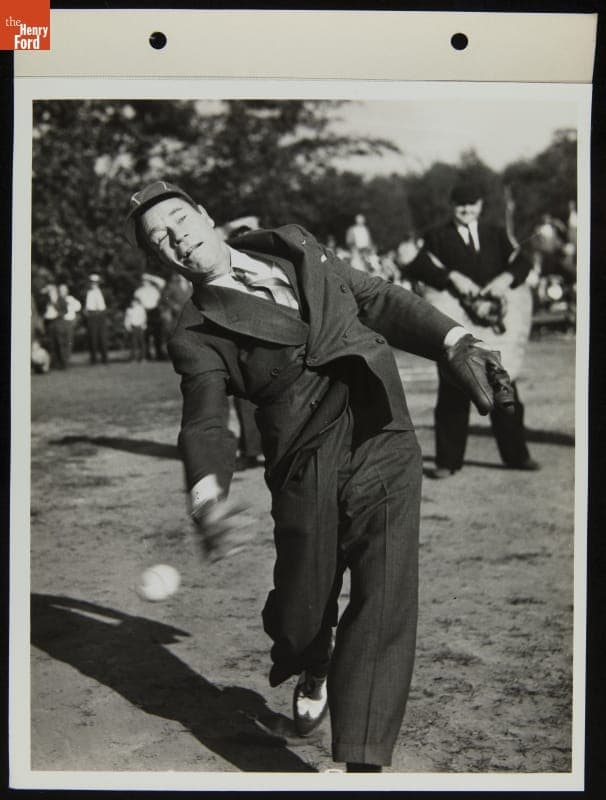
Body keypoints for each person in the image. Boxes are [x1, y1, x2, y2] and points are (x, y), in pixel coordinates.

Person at [124, 180, 514, 772]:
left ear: (204, 214)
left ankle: (363, 765)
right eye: (160, 241)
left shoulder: (293, 244)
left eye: (178, 220)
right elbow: (204, 421)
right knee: (300, 615)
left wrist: (455, 340)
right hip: (304, 460)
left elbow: (375, 296)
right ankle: (313, 661)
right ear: (162, 260)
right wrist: (207, 497)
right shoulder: (195, 332)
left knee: (384, 595)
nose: (176, 238)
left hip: (380, 430)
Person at [406, 180, 539, 478]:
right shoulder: (437, 236)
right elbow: (416, 266)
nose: (466, 209)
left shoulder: (496, 234)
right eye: (460, 204)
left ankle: (516, 455)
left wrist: (506, 278)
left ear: (480, 205)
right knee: (453, 388)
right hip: (456, 323)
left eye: (471, 204)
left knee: (504, 387)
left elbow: (523, 263)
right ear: (452, 206)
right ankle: (447, 461)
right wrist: (450, 276)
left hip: (495, 324)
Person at [134, 273, 167, 360]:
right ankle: (147, 354)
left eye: (147, 281)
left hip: (155, 312)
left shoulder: (155, 289)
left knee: (158, 334)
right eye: (143, 280)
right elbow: (137, 303)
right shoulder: (138, 291)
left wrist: (150, 276)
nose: (145, 282)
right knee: (146, 335)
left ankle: (159, 354)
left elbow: (162, 282)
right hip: (144, 312)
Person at [83, 273, 109, 365]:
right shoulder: (87, 292)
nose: (93, 284)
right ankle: (93, 359)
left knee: (102, 337)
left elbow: (105, 305)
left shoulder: (102, 292)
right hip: (91, 315)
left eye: (95, 282)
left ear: (98, 283)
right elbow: (86, 305)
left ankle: (105, 359)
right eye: (92, 282)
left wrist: (102, 313)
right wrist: (86, 311)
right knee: (92, 337)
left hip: (100, 314)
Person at [58, 282, 82, 366]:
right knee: (61, 342)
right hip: (60, 322)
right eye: (61, 290)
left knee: (69, 341)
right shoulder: (57, 300)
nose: (62, 291)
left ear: (67, 291)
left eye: (64, 290)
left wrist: (70, 304)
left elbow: (78, 307)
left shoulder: (70, 298)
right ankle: (62, 360)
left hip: (69, 322)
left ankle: (66, 360)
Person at [124, 296, 147, 362]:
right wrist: (127, 326)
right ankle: (133, 358)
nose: (133, 303)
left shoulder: (141, 309)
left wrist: (143, 325)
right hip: (133, 328)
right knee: (133, 343)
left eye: (134, 302)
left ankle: (143, 358)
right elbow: (127, 319)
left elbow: (144, 317)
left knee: (142, 343)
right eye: (132, 302)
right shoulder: (129, 310)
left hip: (140, 327)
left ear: (137, 302)